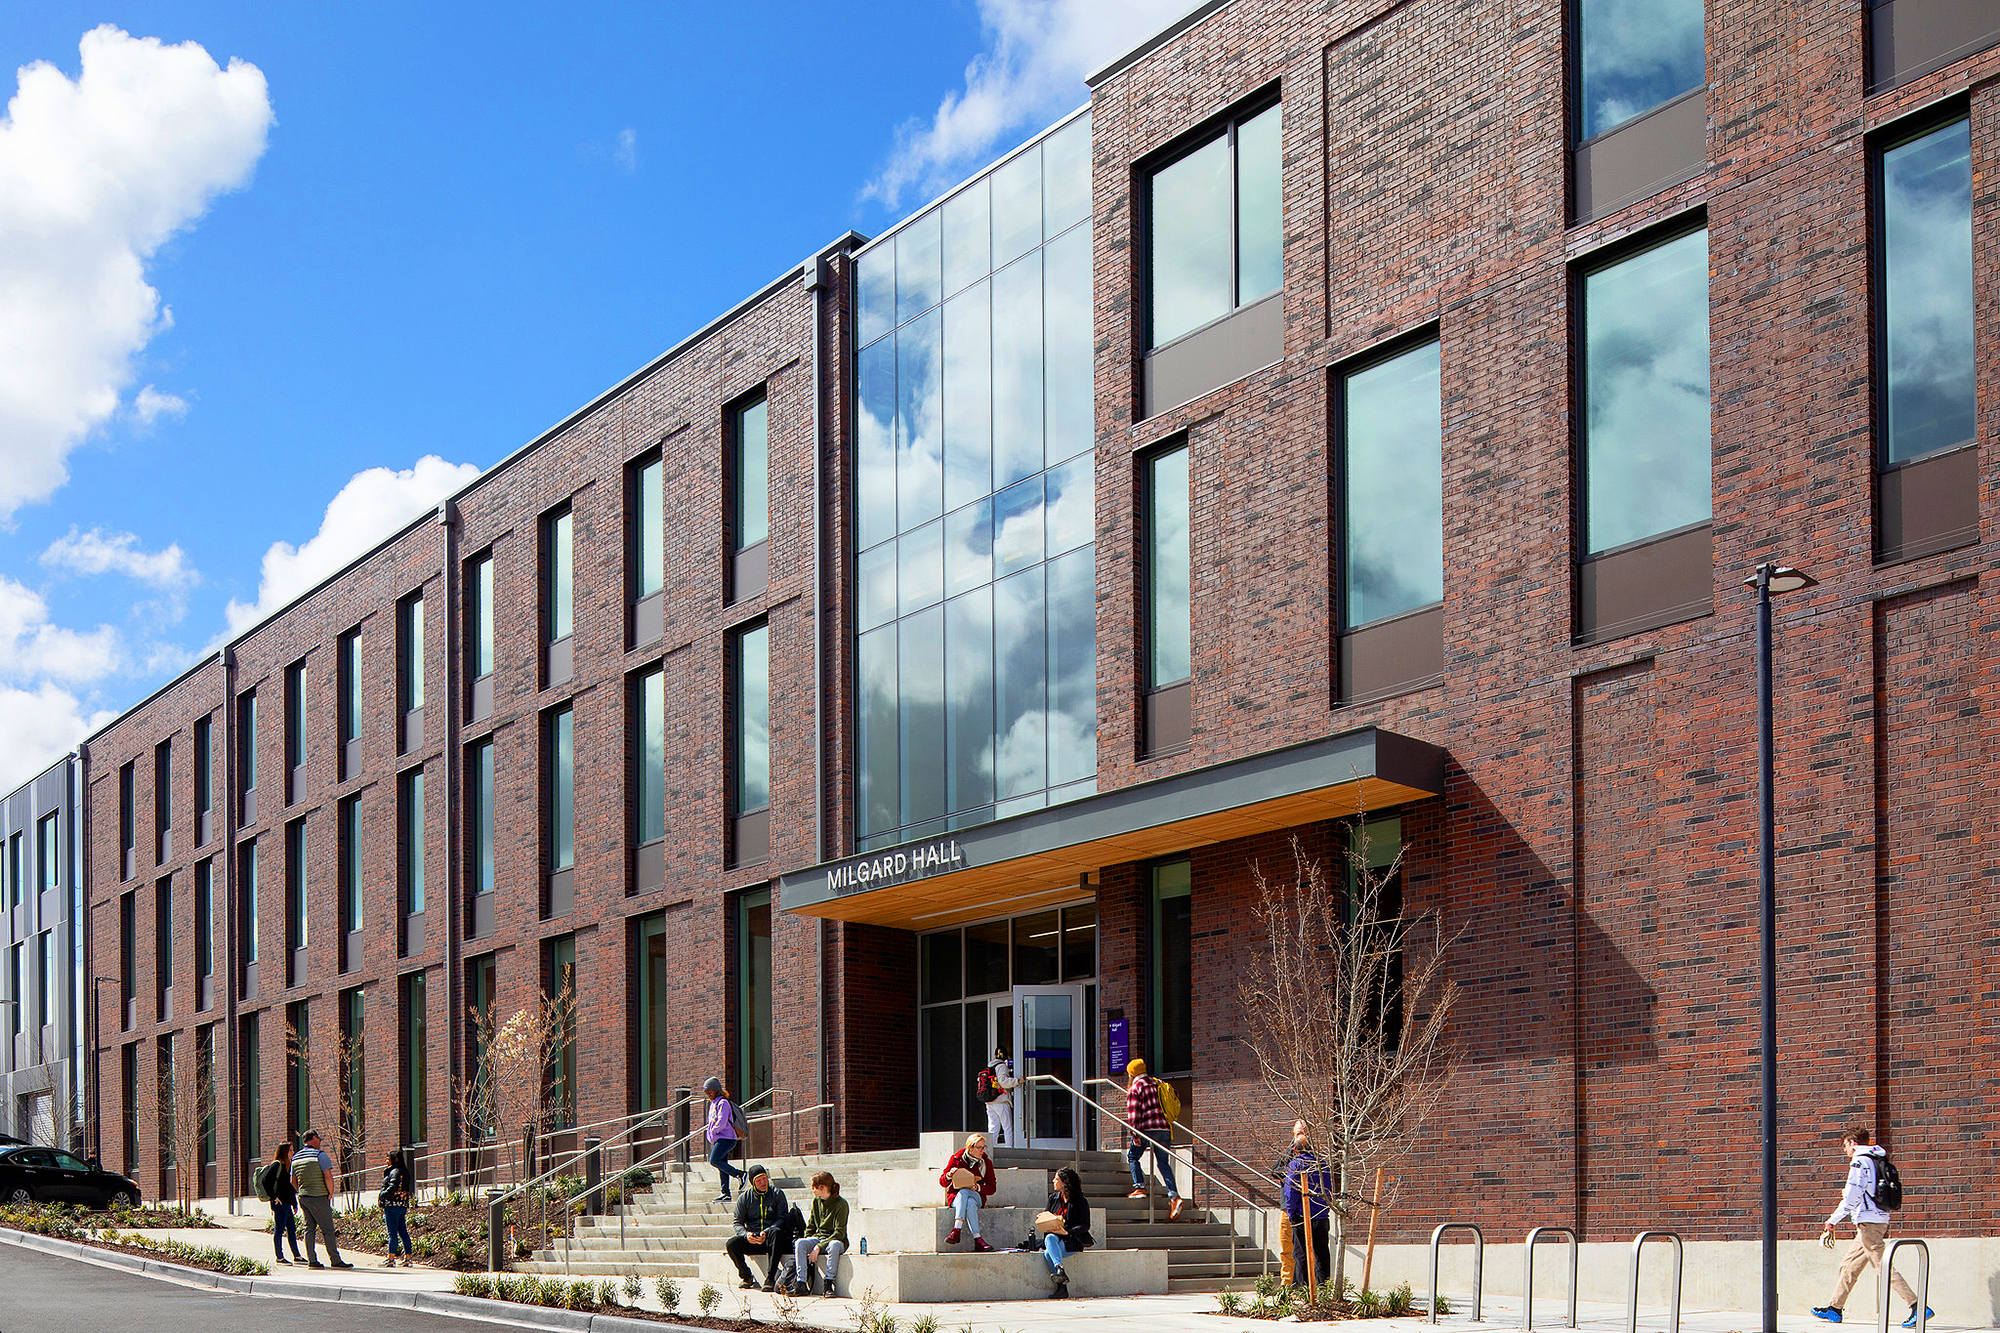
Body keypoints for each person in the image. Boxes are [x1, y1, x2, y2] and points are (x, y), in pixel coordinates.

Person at [1812, 1128, 1930, 1327]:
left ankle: (1917, 1306)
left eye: (1845, 1145)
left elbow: (1852, 1196)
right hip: (1875, 1220)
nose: (1844, 1150)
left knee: (1882, 1266)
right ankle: (1835, 1308)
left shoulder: (1859, 1162)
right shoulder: (1877, 1159)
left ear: (1852, 1142)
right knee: (1849, 1265)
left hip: (1869, 1223)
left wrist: (1833, 1220)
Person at [1122, 1058, 1184, 1220]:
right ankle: (1174, 1197)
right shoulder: (1158, 1083)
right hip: (1163, 1128)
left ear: (1131, 1073)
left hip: (1146, 1129)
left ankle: (1140, 1187)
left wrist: (1135, 1134)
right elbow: (1174, 1096)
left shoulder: (1135, 1088)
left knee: (1133, 1156)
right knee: (1163, 1163)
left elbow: (1134, 1114)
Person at [726, 1165, 797, 1291]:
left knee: (777, 1232)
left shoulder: (777, 1194)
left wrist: (766, 1232)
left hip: (771, 1237)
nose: (763, 1183)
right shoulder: (744, 1198)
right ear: (753, 1183)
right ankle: (746, 1276)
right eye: (759, 1181)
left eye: (765, 1179)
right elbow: (737, 1223)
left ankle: (770, 1278)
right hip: (753, 1238)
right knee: (732, 1244)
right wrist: (746, 1235)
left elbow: (782, 1218)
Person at [291, 1129, 353, 1269]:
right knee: (327, 1230)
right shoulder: (320, 1155)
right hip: (319, 1196)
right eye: (318, 1139)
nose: (319, 1142)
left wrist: (300, 1191)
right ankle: (335, 1260)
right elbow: (328, 1176)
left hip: (304, 1197)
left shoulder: (296, 1157)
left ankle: (312, 1260)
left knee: (309, 1229)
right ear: (313, 1139)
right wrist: (330, 1192)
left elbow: (293, 1181)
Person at [1282, 1126, 1333, 1290]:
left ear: (1296, 1150)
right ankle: (1323, 1287)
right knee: (1322, 1253)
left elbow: (1290, 1193)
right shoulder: (1322, 1164)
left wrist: (1292, 1213)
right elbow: (1329, 1189)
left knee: (1301, 1253)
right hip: (1321, 1214)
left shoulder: (1295, 1165)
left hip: (1302, 1215)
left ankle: (1301, 1288)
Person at [938, 1132, 998, 1250]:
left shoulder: (986, 1163)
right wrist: (949, 1175)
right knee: (966, 1198)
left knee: (966, 1193)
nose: (982, 1151)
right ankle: (977, 1239)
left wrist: (978, 1188)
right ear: (970, 1148)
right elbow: (942, 1182)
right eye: (979, 1147)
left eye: (983, 1147)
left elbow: (992, 1188)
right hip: (957, 1198)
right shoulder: (956, 1159)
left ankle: (956, 1230)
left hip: (977, 1196)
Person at [791, 1171, 848, 1297]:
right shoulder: (816, 1201)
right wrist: (807, 1241)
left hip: (836, 1240)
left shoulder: (841, 1204)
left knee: (833, 1245)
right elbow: (811, 1225)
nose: (812, 1190)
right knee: (800, 1242)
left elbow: (839, 1232)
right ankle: (801, 1282)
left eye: (814, 1187)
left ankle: (828, 1283)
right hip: (819, 1238)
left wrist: (818, 1247)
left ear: (822, 1187)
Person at [1041, 1165, 1093, 1299]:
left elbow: (1085, 1225)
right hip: (1054, 1238)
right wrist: (1041, 1219)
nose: (1053, 1181)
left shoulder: (1080, 1201)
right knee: (1050, 1239)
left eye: (1056, 1179)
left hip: (1072, 1240)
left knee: (1048, 1253)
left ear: (1065, 1183)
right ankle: (1060, 1270)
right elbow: (1047, 1216)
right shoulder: (1053, 1198)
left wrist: (1067, 1232)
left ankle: (1062, 1286)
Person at [703, 1077, 748, 1204]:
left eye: (710, 1091)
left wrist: (714, 1131)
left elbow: (722, 1121)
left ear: (716, 1090)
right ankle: (725, 1193)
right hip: (720, 1139)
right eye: (706, 1092)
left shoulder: (723, 1102)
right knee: (721, 1164)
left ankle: (739, 1174)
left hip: (726, 1138)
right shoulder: (713, 1104)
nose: (708, 1094)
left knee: (714, 1160)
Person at [262, 1142, 306, 1265]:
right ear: (284, 1152)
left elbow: (289, 1188)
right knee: (279, 1229)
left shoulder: (288, 1166)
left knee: (292, 1229)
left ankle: (296, 1255)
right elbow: (266, 1181)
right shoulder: (277, 1165)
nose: (293, 1152)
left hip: (287, 1203)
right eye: (291, 1150)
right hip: (280, 1204)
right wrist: (274, 1197)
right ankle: (279, 1256)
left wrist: (294, 1204)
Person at [379, 1147, 414, 1267]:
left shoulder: (394, 1171)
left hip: (392, 1206)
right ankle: (408, 1258)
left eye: (388, 1158)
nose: (386, 1160)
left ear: (395, 1159)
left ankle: (391, 1258)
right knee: (403, 1231)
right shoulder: (404, 1171)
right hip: (402, 1205)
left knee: (392, 1232)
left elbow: (393, 1187)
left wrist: (382, 1195)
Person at [982, 1047, 1020, 1148]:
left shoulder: (990, 1066)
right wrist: (1017, 1081)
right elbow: (1003, 1082)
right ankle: (1009, 1149)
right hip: (1001, 1101)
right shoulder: (1001, 1066)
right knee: (1007, 1127)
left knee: (993, 1128)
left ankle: (991, 1149)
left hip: (990, 1102)